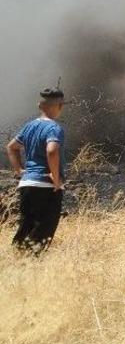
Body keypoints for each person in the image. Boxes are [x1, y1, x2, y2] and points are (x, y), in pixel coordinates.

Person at [7, 88, 67, 254]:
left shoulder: (29, 126)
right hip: (46, 187)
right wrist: (56, 179)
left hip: (27, 183)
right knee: (44, 230)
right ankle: (31, 262)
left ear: (40, 105)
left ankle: (17, 260)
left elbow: (12, 147)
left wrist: (20, 170)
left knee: (27, 225)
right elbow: (52, 150)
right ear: (59, 106)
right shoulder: (54, 128)